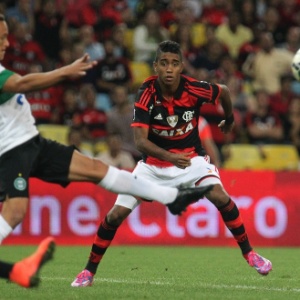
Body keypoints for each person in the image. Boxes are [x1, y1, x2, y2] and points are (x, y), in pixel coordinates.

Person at [71, 40, 272, 287]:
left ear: (181, 67)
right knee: (115, 216)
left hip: (191, 161)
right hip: (152, 166)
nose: (169, 69)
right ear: (155, 66)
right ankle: (88, 272)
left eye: (175, 64)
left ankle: (250, 253)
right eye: (164, 63)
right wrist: (170, 157)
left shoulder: (194, 89)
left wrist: (229, 120)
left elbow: (224, 92)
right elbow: (140, 142)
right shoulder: (145, 93)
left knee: (221, 198)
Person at [0, 14, 209, 247]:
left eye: (7, 37)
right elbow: (20, 84)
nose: (7, 44)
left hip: (32, 144)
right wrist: (64, 72)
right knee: (15, 211)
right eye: (2, 38)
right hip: (12, 151)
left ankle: (172, 198)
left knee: (96, 169)